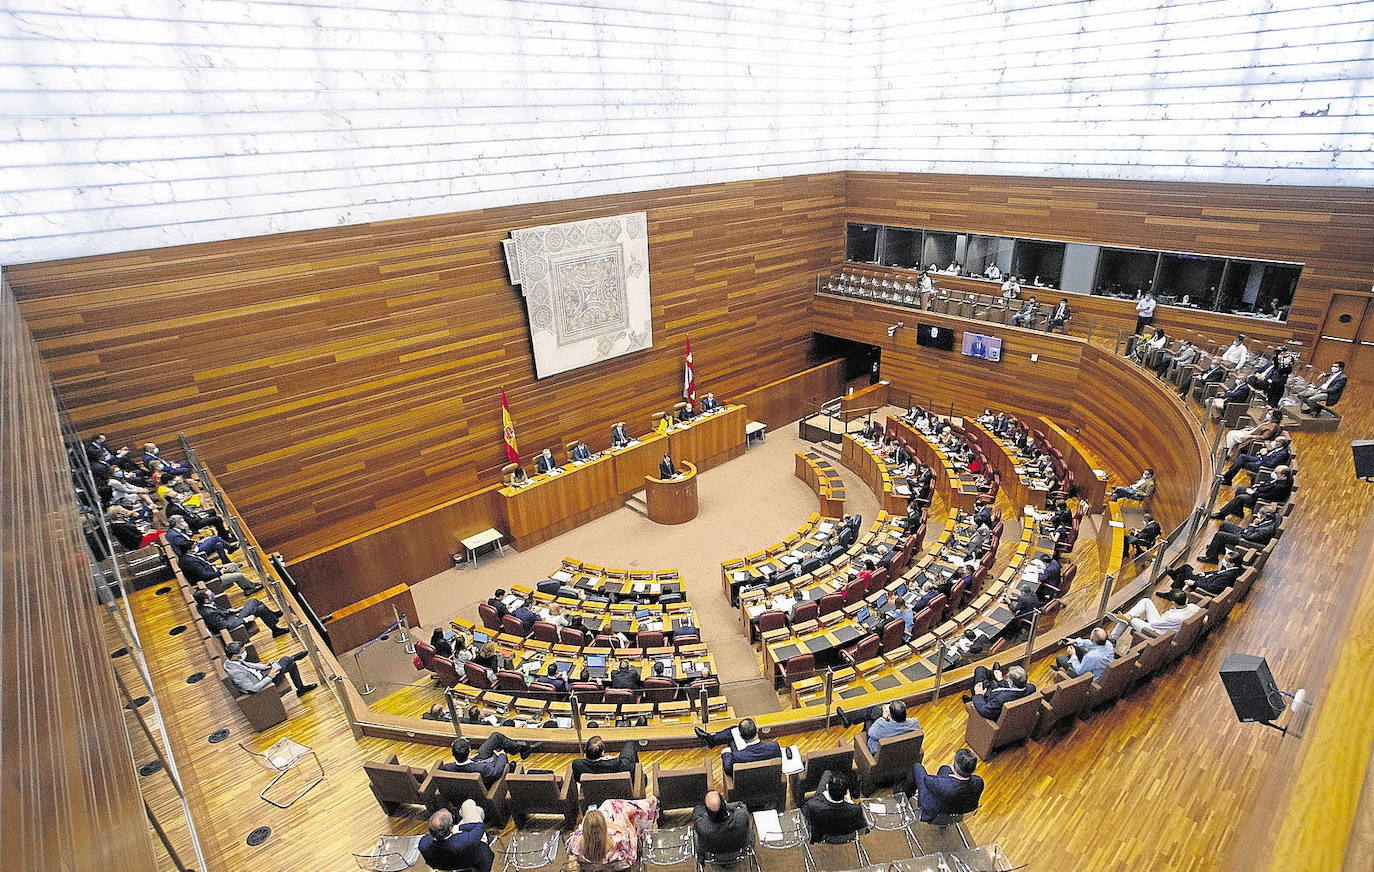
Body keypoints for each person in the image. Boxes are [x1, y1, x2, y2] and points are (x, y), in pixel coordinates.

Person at [565, 798, 659, 872]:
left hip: (590, 866)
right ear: (604, 827)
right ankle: (649, 803)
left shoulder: (575, 842)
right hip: (616, 867)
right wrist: (622, 829)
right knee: (617, 809)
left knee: (608, 806)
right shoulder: (620, 842)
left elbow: (569, 850)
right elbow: (631, 858)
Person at [902, 749, 984, 822]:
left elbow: (927, 780)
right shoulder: (979, 781)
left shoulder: (941, 785)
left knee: (917, 767)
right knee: (944, 768)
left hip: (933, 812)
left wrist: (944, 777)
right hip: (960, 811)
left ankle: (904, 797)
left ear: (954, 764)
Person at [222, 641, 316, 696]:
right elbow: (252, 689)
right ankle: (291, 658)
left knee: (291, 665)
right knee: (286, 660)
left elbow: (249, 665)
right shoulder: (236, 673)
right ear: (235, 656)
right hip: (264, 685)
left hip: (261, 674)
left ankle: (301, 689)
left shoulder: (231, 662)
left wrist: (264, 666)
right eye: (242, 652)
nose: (244, 653)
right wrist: (270, 677)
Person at [439, 734, 538, 786]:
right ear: (469, 750)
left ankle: (522, 749)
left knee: (496, 737)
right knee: (499, 748)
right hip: (485, 768)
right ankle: (522, 750)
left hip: (476, 760)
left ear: (453, 754)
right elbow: (497, 772)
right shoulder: (482, 769)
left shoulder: (446, 768)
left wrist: (471, 759)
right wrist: (502, 755)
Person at [419, 803, 494, 872]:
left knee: (477, 810)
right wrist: (458, 828)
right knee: (469, 804)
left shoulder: (423, 844)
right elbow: (480, 826)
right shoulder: (465, 840)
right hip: (475, 855)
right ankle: (462, 812)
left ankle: (464, 812)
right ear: (449, 828)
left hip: (448, 865)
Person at [693, 718, 780, 775]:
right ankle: (711, 739)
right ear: (757, 730)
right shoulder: (774, 746)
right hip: (767, 779)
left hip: (745, 779)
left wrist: (726, 753)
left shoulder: (738, 756)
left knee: (732, 734)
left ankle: (711, 739)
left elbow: (728, 769)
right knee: (733, 731)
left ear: (741, 737)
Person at [1108, 590, 1200, 642]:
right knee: (1146, 601)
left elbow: (1154, 624)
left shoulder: (1172, 617)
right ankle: (1127, 616)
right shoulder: (1194, 607)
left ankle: (1113, 638)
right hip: (1165, 625)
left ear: (1173, 603)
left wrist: (1134, 619)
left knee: (1129, 620)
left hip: (1157, 632)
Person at [802, 770, 867, 843]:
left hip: (822, 838)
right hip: (846, 839)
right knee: (827, 773)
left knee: (827, 773)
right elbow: (862, 830)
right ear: (846, 793)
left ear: (827, 787)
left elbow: (804, 819)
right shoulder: (856, 809)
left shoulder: (812, 805)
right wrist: (850, 803)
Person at [1201, 504, 1279, 563]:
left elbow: (1249, 537)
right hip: (1248, 533)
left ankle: (1211, 558)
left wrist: (1253, 525)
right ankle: (1219, 549)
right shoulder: (1269, 519)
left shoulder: (1266, 529)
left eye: (1260, 513)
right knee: (1225, 524)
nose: (1258, 515)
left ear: (1266, 516)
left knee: (1220, 535)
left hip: (1246, 541)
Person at [193, 588, 288, 637]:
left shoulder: (204, 605)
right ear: (205, 600)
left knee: (261, 608)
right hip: (236, 624)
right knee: (253, 601)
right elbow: (225, 625)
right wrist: (245, 619)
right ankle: (273, 616)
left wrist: (230, 610)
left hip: (233, 617)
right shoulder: (209, 613)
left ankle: (275, 631)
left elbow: (218, 611)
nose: (213, 595)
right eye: (211, 595)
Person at [836, 699, 921, 753]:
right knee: (874, 711)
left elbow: (871, 733)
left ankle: (848, 720)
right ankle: (848, 719)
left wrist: (883, 717)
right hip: (900, 749)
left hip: (878, 749)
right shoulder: (914, 723)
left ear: (890, 715)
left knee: (870, 717)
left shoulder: (883, 726)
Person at [1213, 465, 1293, 519]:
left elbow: (1268, 496)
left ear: (1283, 476)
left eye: (1276, 473)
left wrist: (1253, 493)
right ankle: (1237, 511)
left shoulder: (1281, 486)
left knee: (1240, 498)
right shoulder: (1280, 479)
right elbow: (1268, 484)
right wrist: (1258, 486)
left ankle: (1222, 514)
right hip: (1260, 492)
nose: (1274, 474)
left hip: (1262, 499)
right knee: (1240, 489)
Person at [692, 790, 751, 860]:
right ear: (724, 803)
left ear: (706, 811)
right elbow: (740, 804)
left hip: (712, 856)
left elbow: (697, 810)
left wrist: (714, 808)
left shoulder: (701, 825)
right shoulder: (741, 816)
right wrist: (726, 806)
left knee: (696, 835)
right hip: (740, 850)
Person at [178, 548, 262, 595]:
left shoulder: (189, 556)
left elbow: (204, 565)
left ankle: (247, 587)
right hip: (213, 580)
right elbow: (205, 575)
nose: (196, 547)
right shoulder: (190, 562)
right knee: (238, 576)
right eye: (194, 546)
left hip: (213, 571)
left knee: (233, 565)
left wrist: (216, 566)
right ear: (189, 550)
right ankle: (249, 587)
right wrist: (221, 572)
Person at [966, 663, 1035, 720]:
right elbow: (1011, 688)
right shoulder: (1031, 688)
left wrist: (979, 695)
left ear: (1010, 682)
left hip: (989, 700)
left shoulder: (1000, 699)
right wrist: (1000, 679)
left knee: (979, 679)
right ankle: (992, 675)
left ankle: (972, 699)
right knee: (981, 669)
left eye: (1008, 678)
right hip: (1001, 692)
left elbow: (984, 711)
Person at [1051, 628, 1116, 681]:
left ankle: (1062, 673)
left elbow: (1079, 671)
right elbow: (1090, 644)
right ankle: (1067, 666)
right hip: (1098, 668)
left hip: (1088, 678)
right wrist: (1074, 641)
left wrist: (1073, 655)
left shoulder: (1091, 657)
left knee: (1060, 658)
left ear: (1092, 638)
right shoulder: (1108, 644)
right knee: (1077, 647)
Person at [1221, 436, 1292, 486]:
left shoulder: (1282, 453)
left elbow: (1270, 464)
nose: (1274, 442)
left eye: (1276, 441)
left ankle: (1227, 479)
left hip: (1262, 466)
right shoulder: (1278, 449)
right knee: (1242, 457)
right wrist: (1264, 453)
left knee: (1241, 463)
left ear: (1281, 443)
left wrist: (1264, 455)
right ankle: (1227, 476)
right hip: (1261, 460)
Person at [1165, 551, 1243, 596]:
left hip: (1202, 585)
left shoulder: (1228, 576)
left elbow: (1211, 588)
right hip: (1205, 579)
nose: (1223, 561)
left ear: (1232, 564)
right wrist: (1205, 573)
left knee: (1186, 568)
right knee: (1184, 572)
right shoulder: (1236, 569)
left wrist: (1194, 583)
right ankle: (1174, 578)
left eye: (1226, 560)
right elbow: (1218, 573)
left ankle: (1172, 592)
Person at [571, 735, 639, 782]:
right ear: (602, 752)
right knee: (630, 745)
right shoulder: (616, 763)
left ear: (585, 750)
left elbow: (578, 779)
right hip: (618, 790)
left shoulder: (577, 765)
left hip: (593, 793)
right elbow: (631, 769)